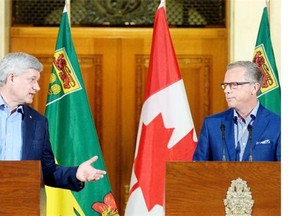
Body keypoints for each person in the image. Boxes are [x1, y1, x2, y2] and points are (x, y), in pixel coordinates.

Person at [0, 52, 106, 191]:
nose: (37, 87)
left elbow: (47, 170)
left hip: (21, 204)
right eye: (32, 79)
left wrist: (76, 173)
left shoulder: (38, 122)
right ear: (12, 78)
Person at [193, 60, 280, 161]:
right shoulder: (212, 124)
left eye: (234, 85)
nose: (226, 90)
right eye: (225, 85)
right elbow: (199, 170)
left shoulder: (278, 125)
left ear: (254, 88)